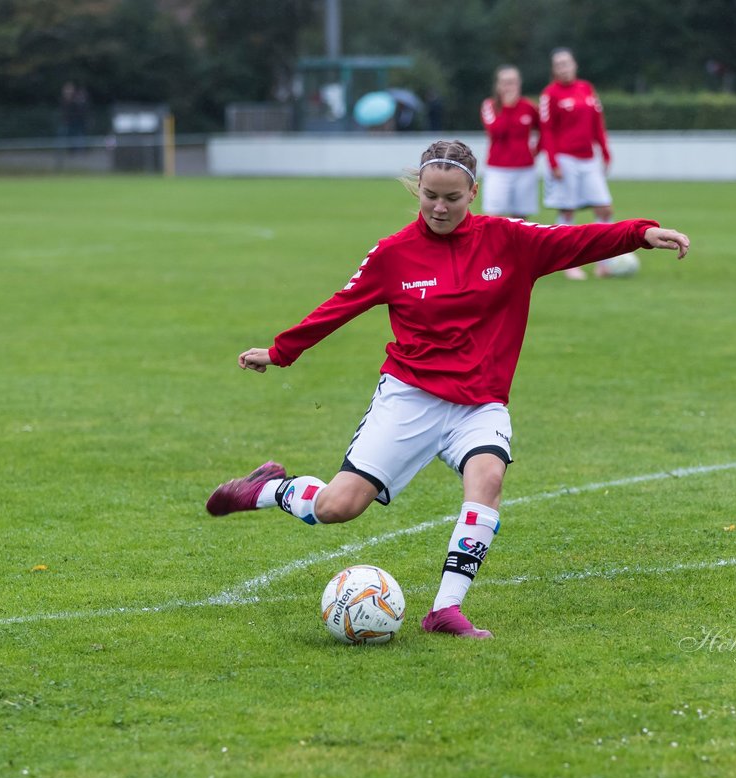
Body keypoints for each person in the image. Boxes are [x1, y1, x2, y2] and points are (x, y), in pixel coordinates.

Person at [206, 140, 690, 639]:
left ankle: (445, 610)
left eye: (452, 198)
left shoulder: (509, 240)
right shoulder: (394, 254)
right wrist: (281, 351)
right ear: (418, 189)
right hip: (410, 397)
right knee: (338, 507)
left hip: (479, 404)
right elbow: (341, 305)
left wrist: (641, 233)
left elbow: (578, 238)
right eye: (430, 195)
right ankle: (266, 488)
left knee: (488, 479)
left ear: (472, 193)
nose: (439, 207)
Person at [539, 48, 615, 279]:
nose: (564, 67)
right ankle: (569, 264)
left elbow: (597, 123)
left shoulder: (586, 88)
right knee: (568, 210)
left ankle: (604, 263)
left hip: (588, 158)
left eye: (567, 63)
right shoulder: (550, 94)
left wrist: (605, 151)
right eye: (559, 64)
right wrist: (553, 161)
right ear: (554, 69)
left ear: (575, 65)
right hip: (565, 158)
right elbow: (547, 130)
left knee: (604, 207)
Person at [480, 65, 540, 219]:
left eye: (513, 82)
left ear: (519, 84)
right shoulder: (490, 106)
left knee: (520, 219)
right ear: (498, 85)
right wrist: (507, 108)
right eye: (505, 82)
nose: (509, 87)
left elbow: (546, 130)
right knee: (494, 217)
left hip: (525, 169)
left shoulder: (529, 107)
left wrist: (535, 152)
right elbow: (495, 131)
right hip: (498, 169)